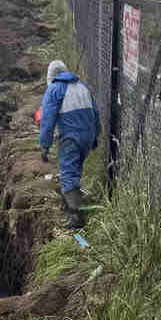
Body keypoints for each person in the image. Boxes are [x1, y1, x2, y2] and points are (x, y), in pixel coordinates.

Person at [39, 60, 101, 228]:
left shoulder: (54, 89)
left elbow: (47, 119)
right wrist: (95, 136)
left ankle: (75, 216)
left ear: (51, 77)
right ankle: (74, 199)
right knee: (76, 168)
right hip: (87, 136)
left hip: (70, 137)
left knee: (68, 171)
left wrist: (45, 145)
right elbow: (95, 113)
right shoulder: (83, 85)